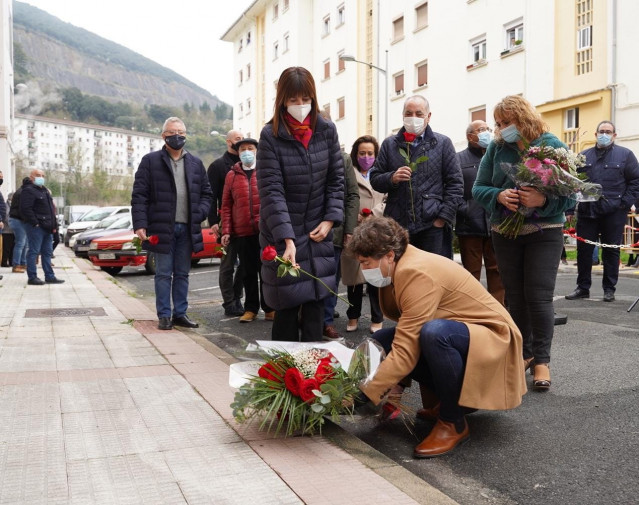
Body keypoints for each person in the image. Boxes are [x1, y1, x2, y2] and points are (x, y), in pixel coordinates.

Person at [348, 216, 525, 458]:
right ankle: (453, 401)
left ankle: (453, 422)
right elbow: (405, 333)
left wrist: (366, 392)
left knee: (435, 334)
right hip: (463, 334)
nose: (364, 269)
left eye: (366, 262)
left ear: (389, 255)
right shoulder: (397, 264)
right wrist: (388, 382)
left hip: (494, 339)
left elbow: (408, 347)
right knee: (386, 338)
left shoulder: (416, 272)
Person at [473, 95, 575, 392]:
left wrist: (542, 200)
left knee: (539, 297)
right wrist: (498, 196)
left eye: (507, 122)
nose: (502, 128)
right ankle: (523, 353)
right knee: (515, 297)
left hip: (544, 232)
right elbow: (479, 188)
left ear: (524, 119)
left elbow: (571, 194)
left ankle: (542, 360)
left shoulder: (552, 145)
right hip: (505, 231)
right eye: (499, 123)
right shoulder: (496, 147)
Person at [257, 66, 344, 342]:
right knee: (287, 303)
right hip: (284, 232)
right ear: (282, 100)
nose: (300, 106)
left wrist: (330, 219)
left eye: (305, 99)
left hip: (319, 229)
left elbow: (336, 179)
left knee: (317, 302)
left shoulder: (326, 129)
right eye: (293, 100)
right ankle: (281, 376)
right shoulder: (271, 135)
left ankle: (311, 378)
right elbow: (271, 191)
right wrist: (286, 239)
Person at [132, 117, 213, 330]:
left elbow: (207, 194)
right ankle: (164, 315)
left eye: (180, 132)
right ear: (163, 135)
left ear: (185, 135)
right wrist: (140, 223)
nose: (176, 135)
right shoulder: (150, 161)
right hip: (161, 227)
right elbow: (139, 195)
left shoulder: (195, 163)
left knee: (183, 273)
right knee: (163, 273)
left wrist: (200, 213)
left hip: (187, 227)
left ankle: (180, 313)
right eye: (171, 132)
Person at [369, 95, 462, 258]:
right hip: (397, 224)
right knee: (400, 275)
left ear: (428, 116)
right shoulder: (390, 144)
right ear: (403, 116)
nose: (413, 118)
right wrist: (392, 178)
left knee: (431, 275)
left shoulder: (442, 143)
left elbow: (455, 184)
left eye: (419, 114)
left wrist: (442, 218)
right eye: (409, 113)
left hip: (431, 226)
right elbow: (375, 179)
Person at [565, 121, 639, 303]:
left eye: (608, 132)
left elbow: (635, 181)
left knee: (610, 251)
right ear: (596, 134)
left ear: (614, 135)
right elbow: (572, 183)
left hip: (613, 211)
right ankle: (583, 288)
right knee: (584, 250)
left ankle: (609, 289)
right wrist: (569, 209)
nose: (604, 134)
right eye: (601, 131)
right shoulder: (583, 156)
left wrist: (625, 203)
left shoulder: (626, 155)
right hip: (587, 211)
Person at [220, 138, 274, 323]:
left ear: (257, 151)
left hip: (264, 231)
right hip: (242, 232)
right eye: (243, 149)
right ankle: (250, 308)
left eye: (250, 148)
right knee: (247, 272)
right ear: (238, 153)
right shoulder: (232, 175)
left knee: (266, 271)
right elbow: (226, 205)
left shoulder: (266, 171)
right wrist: (226, 230)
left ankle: (269, 308)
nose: (246, 152)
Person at [455, 121, 505, 305]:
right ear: (470, 136)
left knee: (497, 270)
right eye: (481, 130)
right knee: (471, 272)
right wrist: (465, 210)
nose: (486, 133)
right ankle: (473, 309)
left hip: (496, 222)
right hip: (470, 225)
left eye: (488, 129)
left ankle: (498, 310)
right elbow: (453, 189)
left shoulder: (496, 156)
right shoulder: (458, 159)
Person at [342, 135, 386, 334]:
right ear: (355, 154)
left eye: (370, 153)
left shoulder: (382, 173)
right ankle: (353, 316)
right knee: (354, 278)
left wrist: (373, 214)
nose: (366, 157)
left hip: (377, 230)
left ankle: (377, 318)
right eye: (362, 153)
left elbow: (388, 198)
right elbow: (343, 197)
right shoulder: (348, 173)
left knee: (376, 277)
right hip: (354, 229)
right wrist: (354, 217)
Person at [322, 149, 359, 341]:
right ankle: (307, 319)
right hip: (306, 229)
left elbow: (352, 195)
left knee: (331, 281)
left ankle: (326, 322)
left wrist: (349, 230)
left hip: (335, 230)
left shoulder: (342, 158)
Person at [208, 130, 245, 317]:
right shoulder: (217, 166)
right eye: (238, 139)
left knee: (245, 265)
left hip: (245, 221)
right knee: (228, 264)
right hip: (225, 221)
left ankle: (238, 297)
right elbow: (210, 196)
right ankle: (229, 302)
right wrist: (213, 222)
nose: (241, 142)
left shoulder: (248, 164)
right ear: (228, 141)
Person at [19, 169, 64, 285]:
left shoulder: (44, 191)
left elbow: (50, 211)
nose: (41, 177)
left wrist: (54, 225)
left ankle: (49, 276)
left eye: (43, 175)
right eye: (38, 175)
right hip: (36, 227)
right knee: (33, 252)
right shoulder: (28, 190)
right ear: (31, 177)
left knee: (47, 252)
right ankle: (32, 277)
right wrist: (35, 223)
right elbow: (25, 209)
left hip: (47, 227)